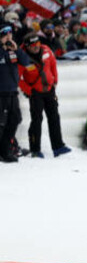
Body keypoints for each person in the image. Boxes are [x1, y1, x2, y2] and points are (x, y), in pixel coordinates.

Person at [18, 33, 70, 158]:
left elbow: (53, 65)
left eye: (37, 44)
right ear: (27, 46)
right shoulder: (22, 57)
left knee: (54, 117)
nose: (36, 47)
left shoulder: (47, 50)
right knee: (36, 121)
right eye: (33, 45)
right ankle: (35, 149)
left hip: (49, 90)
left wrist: (55, 81)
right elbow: (18, 78)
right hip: (35, 93)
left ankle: (58, 147)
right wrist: (29, 91)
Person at [0, 23, 30, 163]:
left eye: (10, 33)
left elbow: (27, 63)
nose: (8, 36)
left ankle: (5, 150)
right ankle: (4, 151)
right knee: (1, 123)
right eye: (5, 34)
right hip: (1, 93)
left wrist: (17, 50)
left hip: (12, 92)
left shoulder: (14, 50)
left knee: (15, 119)